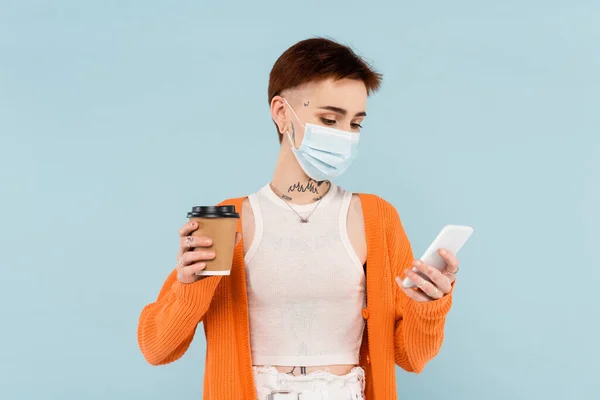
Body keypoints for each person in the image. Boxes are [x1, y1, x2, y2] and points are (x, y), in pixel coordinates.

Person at [137, 37, 460, 400]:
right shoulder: (227, 221)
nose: (344, 136)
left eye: (355, 123)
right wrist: (188, 285)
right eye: (328, 119)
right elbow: (157, 348)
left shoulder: (377, 218)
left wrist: (429, 306)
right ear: (280, 112)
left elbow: (410, 358)